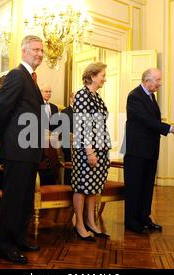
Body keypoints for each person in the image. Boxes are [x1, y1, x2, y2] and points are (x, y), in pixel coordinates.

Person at [0, 35, 44, 264]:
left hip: (30, 149)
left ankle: (20, 238)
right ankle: (6, 245)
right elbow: (3, 110)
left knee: (25, 199)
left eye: (41, 50)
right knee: (14, 199)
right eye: (35, 50)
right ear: (23, 52)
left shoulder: (31, 78)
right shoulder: (16, 75)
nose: (40, 54)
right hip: (17, 149)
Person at [123, 68, 174, 234]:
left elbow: (153, 121)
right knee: (135, 187)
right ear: (147, 80)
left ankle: (144, 217)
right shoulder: (134, 96)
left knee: (147, 186)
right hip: (136, 151)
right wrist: (171, 129)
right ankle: (131, 221)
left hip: (150, 150)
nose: (160, 83)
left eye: (160, 80)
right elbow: (146, 121)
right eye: (157, 80)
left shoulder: (151, 96)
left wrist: (171, 129)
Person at [71, 62, 111, 242]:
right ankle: (79, 224)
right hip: (87, 149)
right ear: (93, 76)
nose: (105, 78)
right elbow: (82, 126)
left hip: (100, 147)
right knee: (82, 186)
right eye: (102, 75)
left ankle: (91, 222)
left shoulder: (97, 97)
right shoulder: (82, 95)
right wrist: (89, 151)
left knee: (94, 187)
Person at [61, 92, 75, 185]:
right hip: (68, 146)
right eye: (75, 97)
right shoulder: (64, 112)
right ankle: (67, 188)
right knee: (69, 169)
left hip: (81, 147)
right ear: (71, 99)